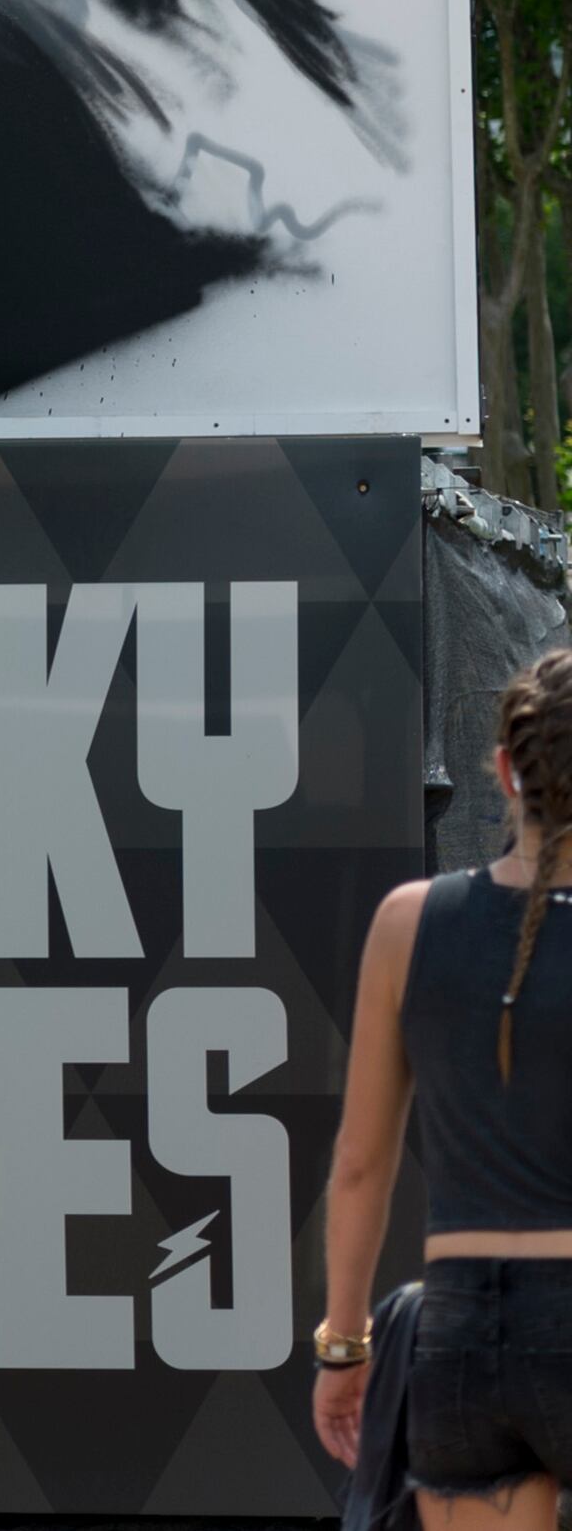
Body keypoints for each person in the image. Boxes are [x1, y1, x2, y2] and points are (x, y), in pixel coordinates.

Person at [317, 648, 572, 1528]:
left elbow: (360, 1167)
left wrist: (345, 1347)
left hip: (459, 1334)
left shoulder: (407, 922)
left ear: (503, 770)